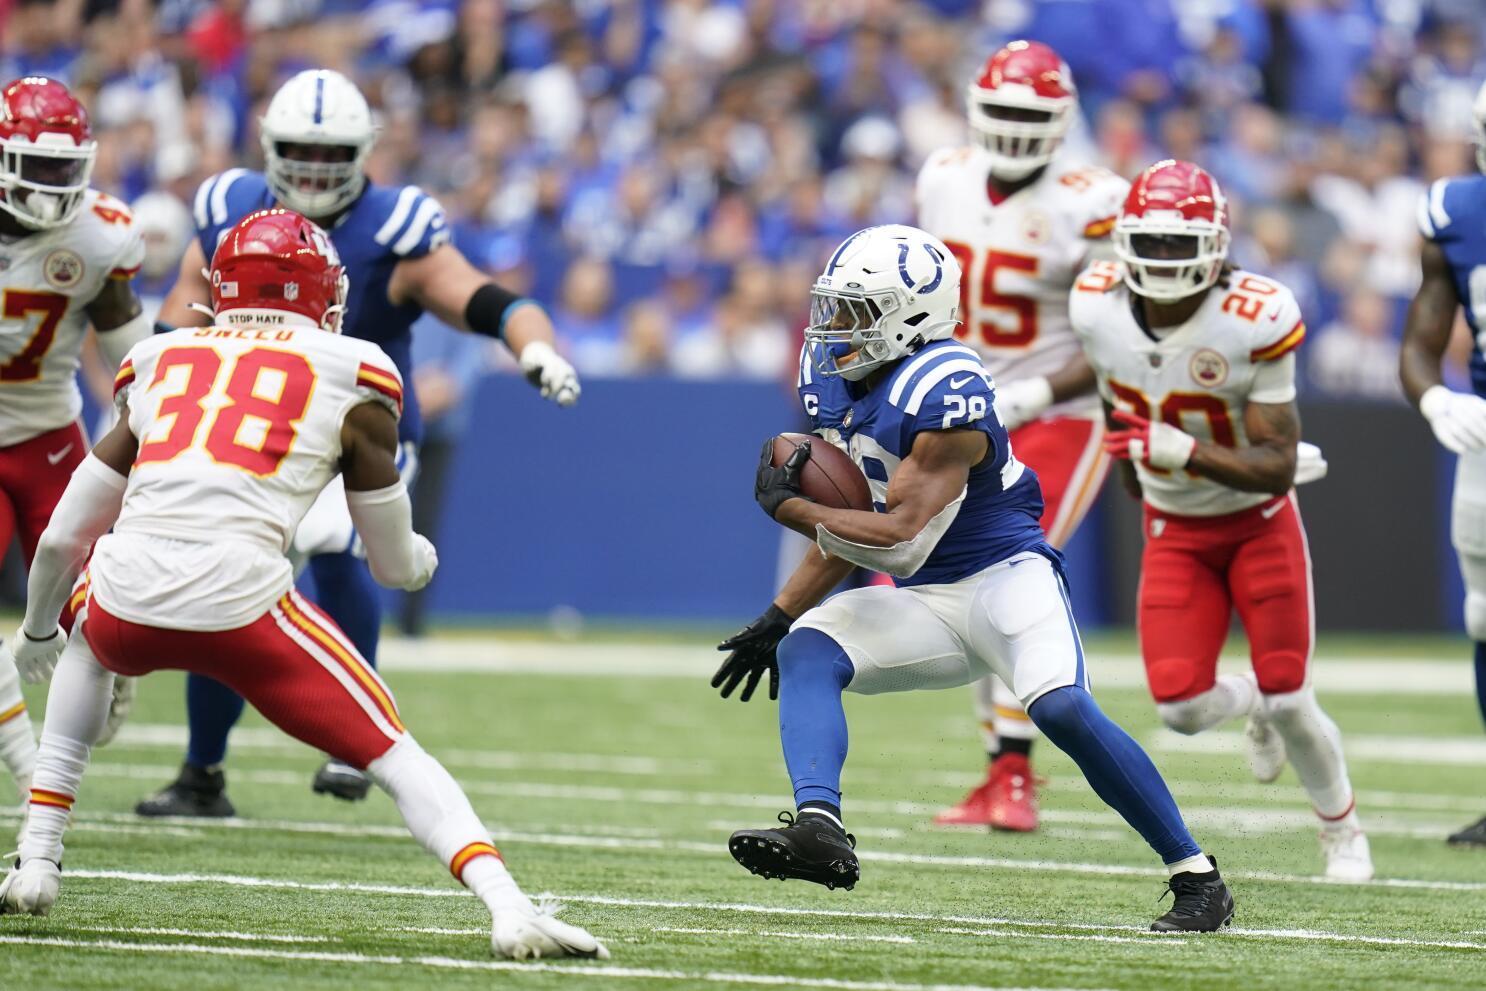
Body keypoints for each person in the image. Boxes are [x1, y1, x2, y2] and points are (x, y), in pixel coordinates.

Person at [0, 209, 608, 961]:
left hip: (126, 591)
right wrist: (419, 557)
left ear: (221, 289)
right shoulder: (354, 368)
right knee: (392, 750)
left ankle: (36, 856)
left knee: (90, 645)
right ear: (324, 292)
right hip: (241, 600)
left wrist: (37, 630)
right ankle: (508, 906)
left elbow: (63, 535)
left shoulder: (161, 359)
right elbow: (389, 564)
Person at [714, 223, 1234, 933]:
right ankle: (819, 828)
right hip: (929, 598)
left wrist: (793, 507)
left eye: (855, 311)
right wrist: (778, 614)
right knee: (805, 647)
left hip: (1005, 582)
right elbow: (861, 519)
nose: (834, 327)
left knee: (1060, 710)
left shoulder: (945, 386)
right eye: (833, 307)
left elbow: (896, 541)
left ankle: (1197, 876)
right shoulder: (842, 382)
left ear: (911, 315)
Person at [141, 68, 580, 814]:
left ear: (364, 152)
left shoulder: (391, 227)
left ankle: (354, 741)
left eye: (331, 153)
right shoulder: (226, 210)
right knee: (224, 581)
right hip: (254, 435)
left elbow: (489, 301)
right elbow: (176, 325)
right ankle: (201, 773)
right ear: (270, 148)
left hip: (356, 438)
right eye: (298, 152)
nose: (313, 169)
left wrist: (536, 347)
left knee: (345, 553)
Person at [1070, 160, 1372, 881]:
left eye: (1183, 244)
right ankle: (1254, 697)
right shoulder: (1095, 304)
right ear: (1124, 242)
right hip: (1176, 528)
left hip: (1257, 521)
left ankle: (1342, 830)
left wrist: (1175, 449)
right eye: (1153, 243)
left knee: (1296, 696)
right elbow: (1118, 396)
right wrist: (1134, 470)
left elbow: (1276, 460)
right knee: (1178, 706)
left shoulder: (1256, 314)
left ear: (1216, 244)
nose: (1166, 259)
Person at [915, 41, 1127, 831]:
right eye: (1001, 110)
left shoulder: (1095, 199)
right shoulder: (943, 176)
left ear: (1062, 121)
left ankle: (1012, 774)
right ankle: (1001, 772)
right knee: (968, 579)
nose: (1011, 128)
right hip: (970, 409)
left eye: (1028, 115)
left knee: (1006, 568)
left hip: (1062, 414)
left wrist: (1033, 389)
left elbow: (1119, 336)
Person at [0, 76, 150, 796]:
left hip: (47, 436)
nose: (55, 186)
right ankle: (34, 777)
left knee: (85, 607)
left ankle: (108, 667)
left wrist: (151, 418)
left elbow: (135, 355)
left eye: (67, 168)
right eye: (40, 167)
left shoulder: (101, 233)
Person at [1400, 79, 1486, 848]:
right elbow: (1421, 343)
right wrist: (1436, 401)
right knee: (1485, 615)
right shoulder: (1457, 214)